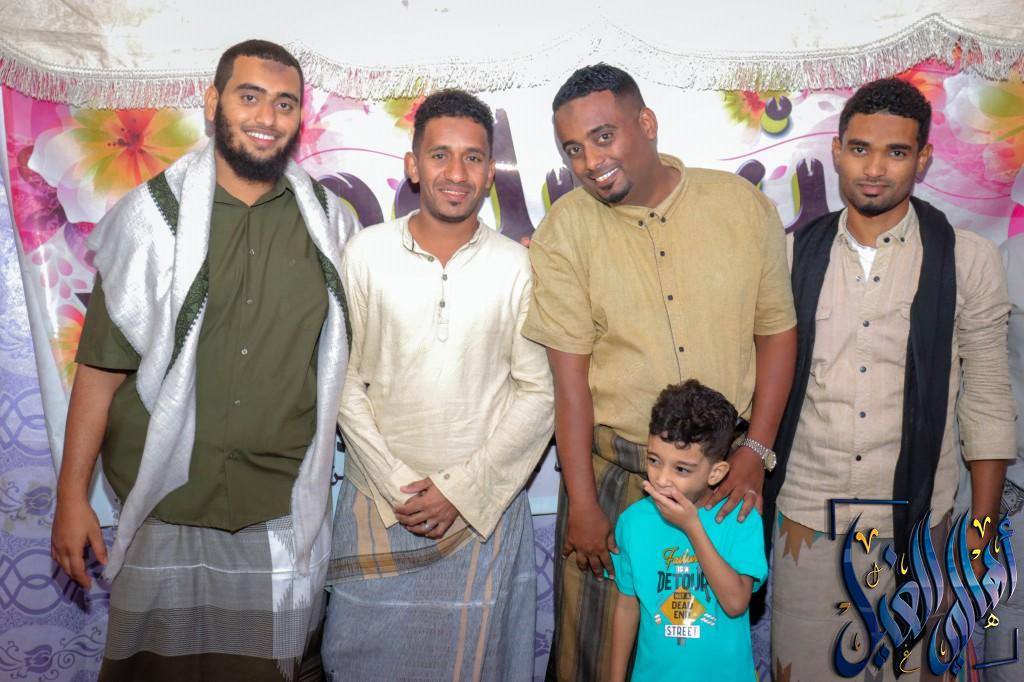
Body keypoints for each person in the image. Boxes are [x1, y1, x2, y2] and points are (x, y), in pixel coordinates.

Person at [49, 39, 357, 681]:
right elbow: (100, 371)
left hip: (279, 510)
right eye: (250, 97)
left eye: (284, 103)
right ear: (213, 101)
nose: (267, 117)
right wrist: (71, 498)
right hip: (164, 505)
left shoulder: (335, 228)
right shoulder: (147, 221)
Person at [522, 63, 796, 680]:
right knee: (595, 651)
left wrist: (755, 452)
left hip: (726, 474)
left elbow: (777, 333)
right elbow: (570, 384)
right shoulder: (565, 231)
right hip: (616, 475)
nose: (590, 161)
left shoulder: (740, 207)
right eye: (572, 149)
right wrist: (584, 504)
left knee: (704, 643)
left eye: (603, 136)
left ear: (646, 123)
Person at [766, 77, 1014, 680]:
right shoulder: (792, 256)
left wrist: (980, 529)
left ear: (922, 159)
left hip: (923, 527)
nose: (874, 169)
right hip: (808, 524)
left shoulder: (966, 259)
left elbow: (986, 397)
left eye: (896, 152)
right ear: (837, 152)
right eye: (860, 149)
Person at [321, 89, 554, 681]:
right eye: (440, 155)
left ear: (491, 171)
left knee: (477, 665)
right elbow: (342, 380)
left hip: (481, 514)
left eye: (473, 157)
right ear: (413, 165)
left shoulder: (517, 266)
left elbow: (539, 392)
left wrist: (461, 490)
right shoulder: (365, 254)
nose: (456, 173)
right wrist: (399, 484)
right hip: (379, 505)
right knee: (362, 663)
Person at [610, 380, 766, 682]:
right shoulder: (633, 522)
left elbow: (735, 603)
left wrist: (693, 527)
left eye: (681, 469)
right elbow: (627, 606)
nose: (662, 479)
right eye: (654, 460)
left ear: (716, 472)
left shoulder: (740, 519)